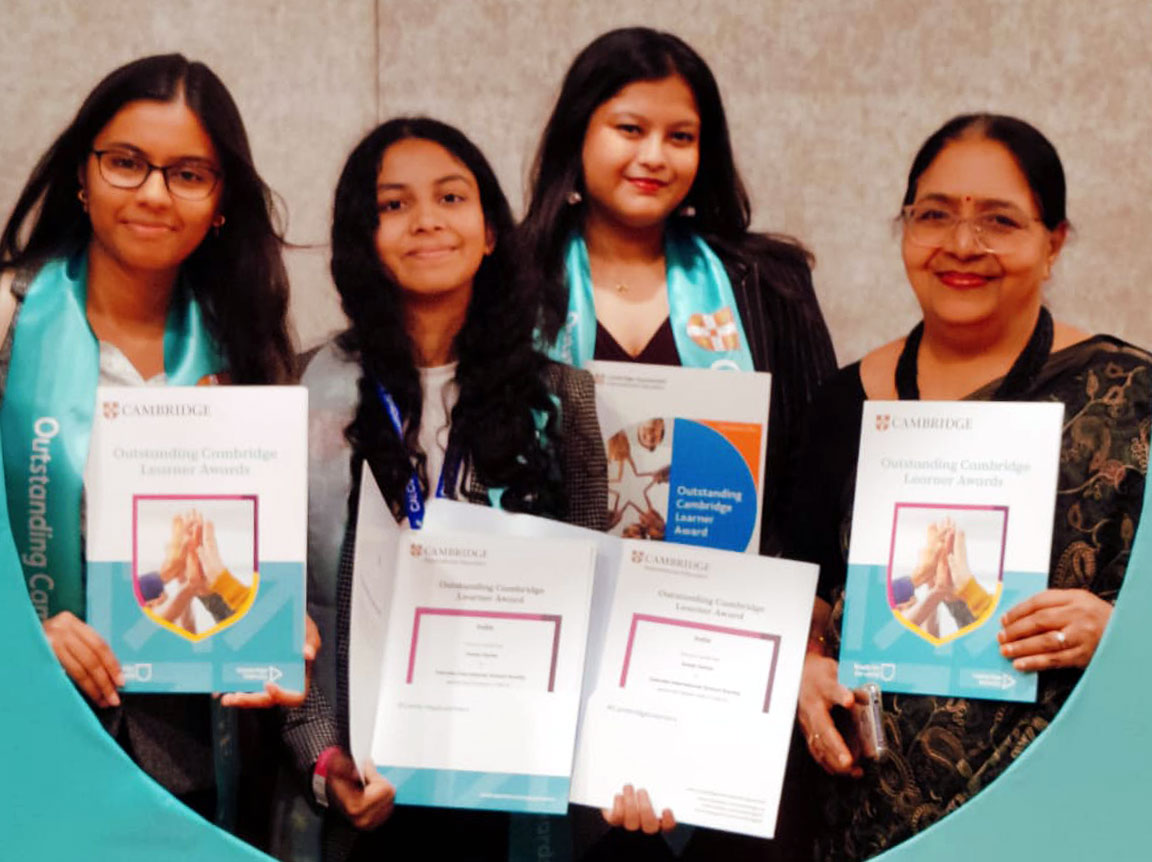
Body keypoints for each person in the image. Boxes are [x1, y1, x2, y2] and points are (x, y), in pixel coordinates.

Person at [789, 113, 1151, 860]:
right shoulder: (842, 404)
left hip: (1067, 811)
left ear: (1053, 243)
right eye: (934, 215)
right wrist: (804, 667)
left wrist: (1118, 635)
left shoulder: (1132, 399)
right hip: (866, 817)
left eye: (999, 221)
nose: (961, 244)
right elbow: (807, 601)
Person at [516, 27, 836, 857]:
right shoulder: (508, 282)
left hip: (730, 669)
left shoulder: (767, 283)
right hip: (556, 670)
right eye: (629, 128)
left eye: (681, 136)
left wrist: (805, 636)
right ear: (578, 134)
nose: (654, 155)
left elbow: (816, 474)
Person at [0, 54, 320, 829]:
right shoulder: (10, 321)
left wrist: (278, 620)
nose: (152, 193)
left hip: (196, 754)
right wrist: (22, 628)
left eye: (188, 174)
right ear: (83, 177)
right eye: (126, 163)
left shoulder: (247, 345)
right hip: (27, 721)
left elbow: (248, 549)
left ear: (220, 202)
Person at [293, 117, 608, 859]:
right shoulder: (303, 389)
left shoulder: (563, 400)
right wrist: (323, 761)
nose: (426, 220)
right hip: (362, 786)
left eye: (451, 197)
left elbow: (595, 606)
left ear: (491, 231)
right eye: (393, 205)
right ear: (362, 238)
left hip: (511, 786)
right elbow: (284, 607)